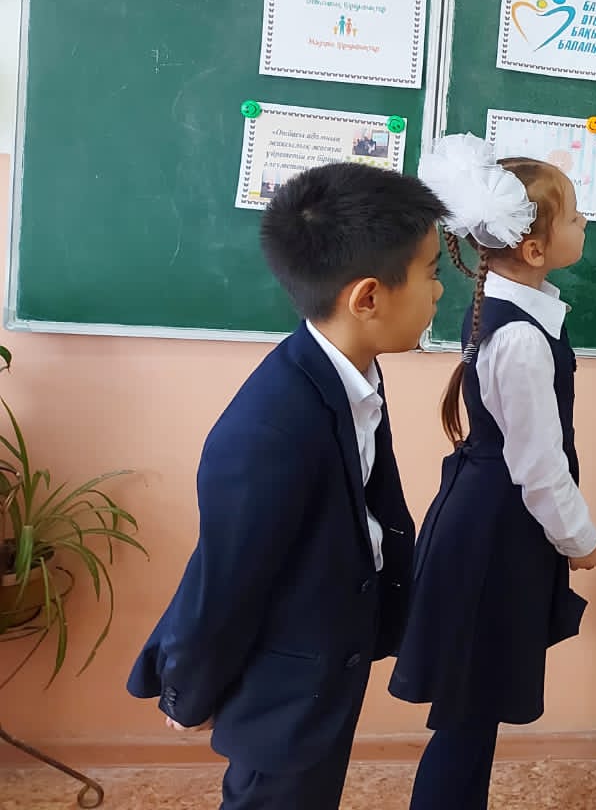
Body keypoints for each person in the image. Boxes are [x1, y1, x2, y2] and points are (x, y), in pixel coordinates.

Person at [127, 163, 446, 810]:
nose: (440, 291)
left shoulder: (351, 376)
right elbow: (225, 579)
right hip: (282, 691)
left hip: (325, 663)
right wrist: (188, 692)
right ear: (368, 298)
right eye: (431, 272)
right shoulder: (269, 429)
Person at [390, 134, 596, 810]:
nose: (584, 222)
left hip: (494, 524)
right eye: (574, 216)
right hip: (491, 535)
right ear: (534, 249)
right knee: (469, 712)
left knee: (473, 708)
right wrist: (581, 538)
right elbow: (538, 466)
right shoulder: (519, 336)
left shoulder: (513, 313)